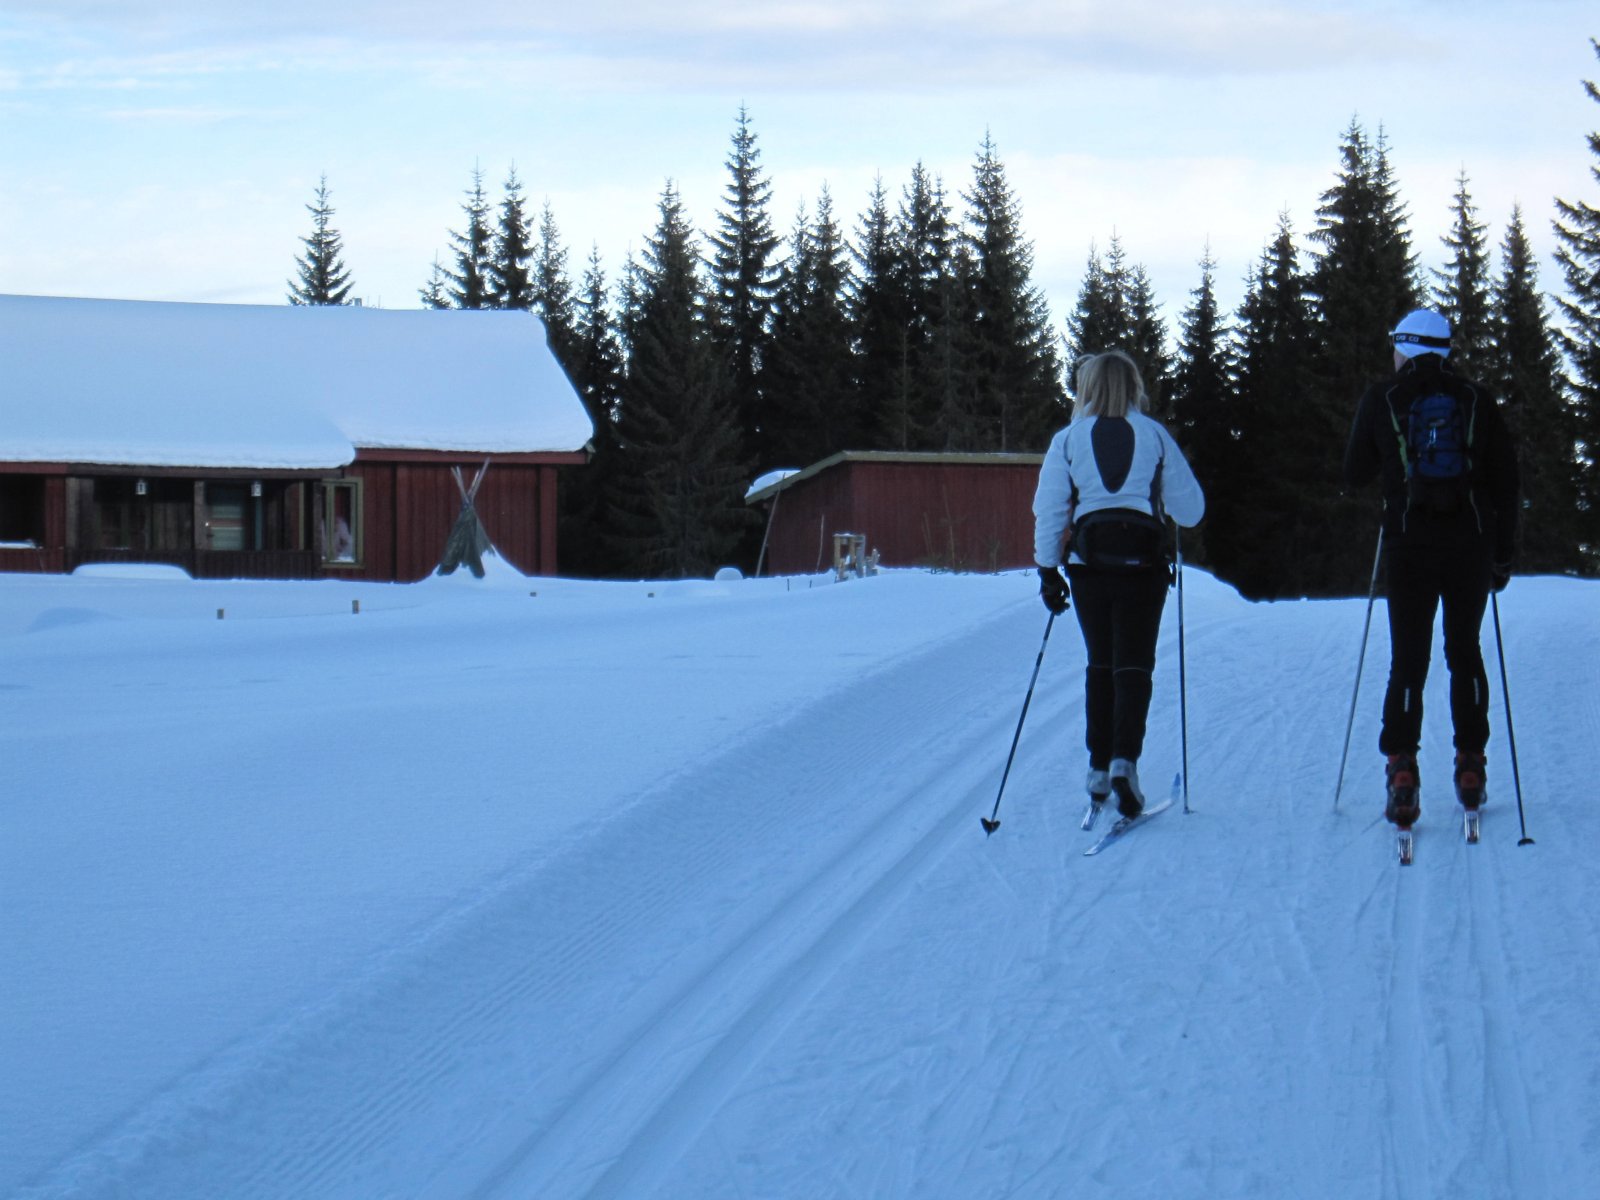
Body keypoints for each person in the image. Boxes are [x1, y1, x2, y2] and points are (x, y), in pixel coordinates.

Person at [1343, 307, 1520, 830]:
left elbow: (1354, 473)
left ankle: (1401, 767)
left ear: (1408, 346)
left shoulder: (1384, 397)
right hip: (1470, 542)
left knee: (1409, 659)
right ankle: (1470, 763)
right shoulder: (1475, 399)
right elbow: (1507, 483)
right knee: (1464, 650)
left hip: (1408, 542)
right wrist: (1503, 556)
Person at [1032, 350, 1205, 820]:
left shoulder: (1067, 440)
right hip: (1143, 567)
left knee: (1100, 663)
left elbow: (1050, 510)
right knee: (1134, 666)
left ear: (1086, 387)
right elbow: (1190, 511)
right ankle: (1125, 760)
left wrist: (1048, 570)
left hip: (1090, 566)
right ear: (1134, 387)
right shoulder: (1155, 436)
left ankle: (1097, 767)